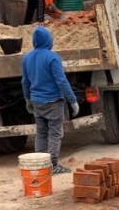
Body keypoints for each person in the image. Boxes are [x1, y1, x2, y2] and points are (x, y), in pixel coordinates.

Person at [21, 26, 79, 174]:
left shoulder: (26, 58)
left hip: (37, 102)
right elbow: (61, 81)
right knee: (54, 134)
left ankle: (40, 165)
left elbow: (25, 82)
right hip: (53, 102)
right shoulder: (53, 57)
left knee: (41, 133)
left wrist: (28, 99)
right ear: (49, 40)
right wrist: (72, 100)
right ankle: (53, 165)